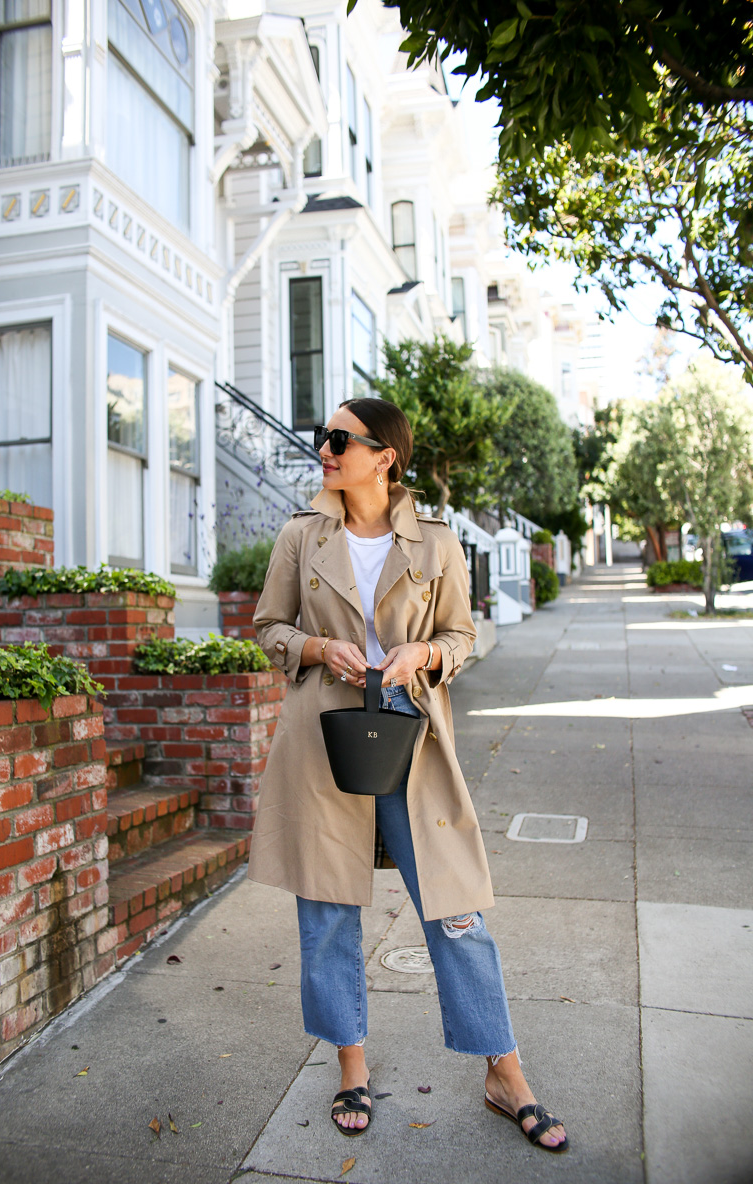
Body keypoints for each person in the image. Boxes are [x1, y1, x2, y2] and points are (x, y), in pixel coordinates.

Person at [249, 397, 568, 1153]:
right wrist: (318, 650)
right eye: (323, 438)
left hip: (412, 734)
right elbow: (268, 628)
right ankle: (350, 1067)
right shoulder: (301, 537)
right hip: (324, 740)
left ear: (383, 456)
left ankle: (505, 1073)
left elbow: (460, 635)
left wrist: (422, 656)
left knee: (456, 909)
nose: (323, 448)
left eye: (337, 438)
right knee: (326, 913)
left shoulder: (435, 543)